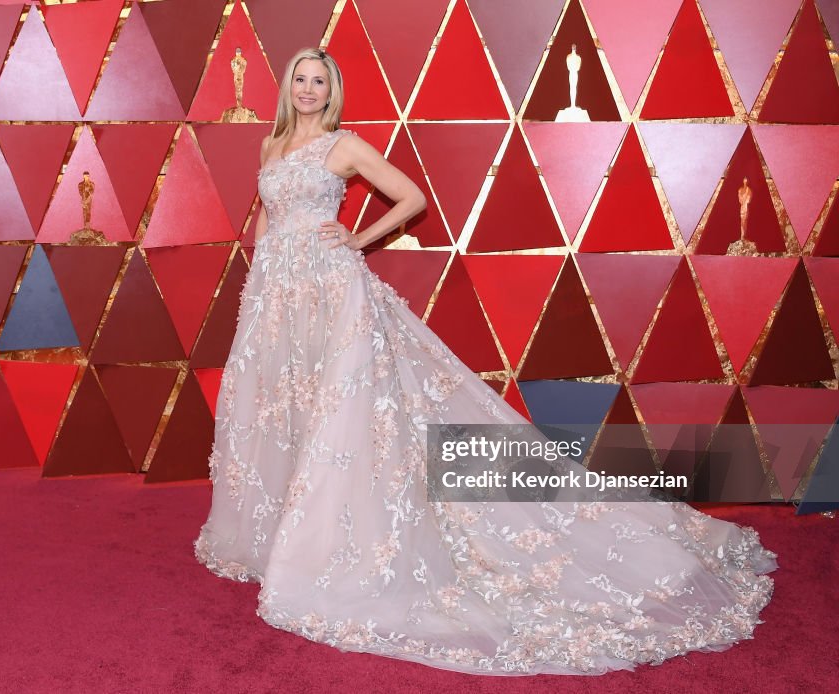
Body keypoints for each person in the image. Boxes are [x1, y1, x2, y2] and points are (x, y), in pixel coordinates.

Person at [194, 47, 777, 676]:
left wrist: (357, 238)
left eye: (319, 82)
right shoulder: (269, 145)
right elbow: (267, 220)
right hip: (278, 301)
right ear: (288, 88)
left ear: (331, 92)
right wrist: (261, 285)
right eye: (300, 80)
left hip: (333, 292)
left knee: (349, 412)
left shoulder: (345, 146)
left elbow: (410, 198)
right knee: (287, 407)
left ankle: (335, 542)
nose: (308, 89)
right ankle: (285, 533)